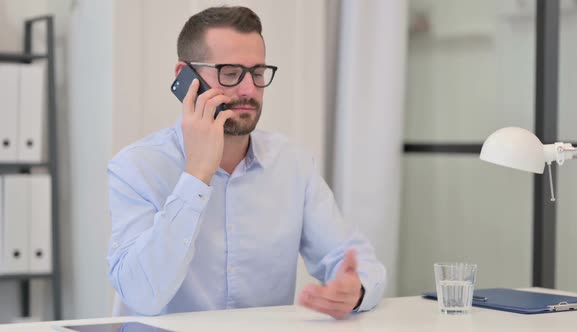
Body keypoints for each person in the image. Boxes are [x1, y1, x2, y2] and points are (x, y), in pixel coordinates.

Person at [107, 6, 385, 319]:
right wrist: (197, 176)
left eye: (256, 72)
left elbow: (350, 257)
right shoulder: (136, 167)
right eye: (230, 73)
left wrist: (355, 289)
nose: (249, 90)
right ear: (185, 77)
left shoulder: (293, 164)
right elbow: (140, 294)